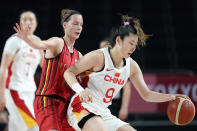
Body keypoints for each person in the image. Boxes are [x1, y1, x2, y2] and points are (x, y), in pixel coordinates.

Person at [63, 14, 189, 131]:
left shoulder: (132, 66)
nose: (133, 48)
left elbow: (146, 94)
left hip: (102, 111)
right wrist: (80, 91)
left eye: (135, 45)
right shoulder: (98, 57)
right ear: (118, 40)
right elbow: (68, 73)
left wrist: (172, 97)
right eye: (130, 43)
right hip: (82, 107)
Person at [13, 9, 83, 131]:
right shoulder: (57, 42)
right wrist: (27, 38)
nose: (79, 28)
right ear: (65, 25)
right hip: (47, 101)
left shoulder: (79, 56)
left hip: (66, 107)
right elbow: (40, 44)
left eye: (81, 25)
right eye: (75, 24)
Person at [0, 11, 42, 131]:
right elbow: (2, 68)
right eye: (25, 19)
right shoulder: (14, 41)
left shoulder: (37, 42)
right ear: (20, 23)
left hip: (29, 91)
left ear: (36, 24)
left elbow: (46, 66)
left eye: (31, 20)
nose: (28, 22)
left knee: (18, 127)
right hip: (14, 90)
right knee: (35, 126)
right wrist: (1, 93)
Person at [99, 40, 131, 121]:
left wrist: (124, 108)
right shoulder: (96, 65)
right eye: (102, 48)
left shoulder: (120, 65)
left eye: (106, 47)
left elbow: (127, 88)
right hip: (98, 103)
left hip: (114, 104)